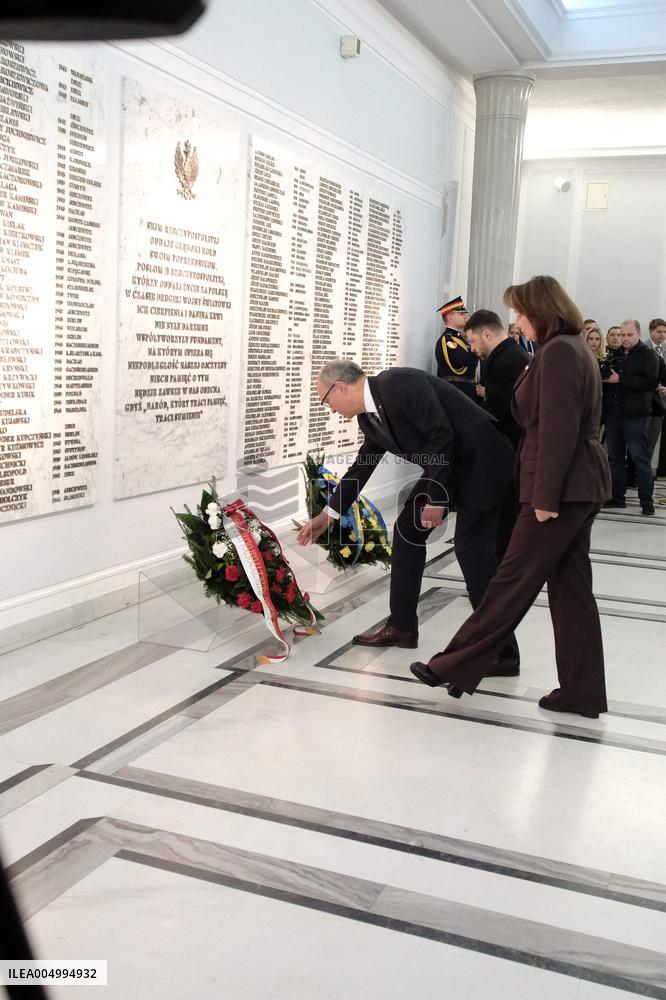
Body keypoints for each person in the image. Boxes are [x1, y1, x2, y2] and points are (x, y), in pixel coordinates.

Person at [410, 275, 611, 720]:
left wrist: (545, 496)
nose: (517, 320)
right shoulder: (568, 347)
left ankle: (453, 664)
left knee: (511, 581)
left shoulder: (559, 352)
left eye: (520, 311)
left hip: (560, 489)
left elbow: (557, 430)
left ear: (540, 311)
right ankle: (582, 692)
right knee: (572, 592)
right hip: (579, 485)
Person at [297, 360, 520, 673]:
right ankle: (402, 627)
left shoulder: (399, 384)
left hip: (482, 461)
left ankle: (503, 653)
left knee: (473, 553)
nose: (330, 409)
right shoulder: (369, 418)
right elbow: (362, 467)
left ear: (341, 387)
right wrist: (328, 515)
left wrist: (437, 497)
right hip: (449, 468)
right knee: (406, 531)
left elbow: (441, 435)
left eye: (326, 400)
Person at [467, 309, 530, 574]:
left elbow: (496, 413)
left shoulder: (506, 361)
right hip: (513, 449)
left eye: (473, 341)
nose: (472, 349)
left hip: (510, 450)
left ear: (487, 334)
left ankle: (503, 576)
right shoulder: (510, 354)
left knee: (505, 519)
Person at [602, 319, 659, 515]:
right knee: (615, 458)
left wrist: (621, 380)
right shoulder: (614, 354)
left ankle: (646, 501)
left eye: (629, 335)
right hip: (613, 413)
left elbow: (650, 382)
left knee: (640, 458)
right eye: (622, 335)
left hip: (636, 415)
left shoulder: (648, 354)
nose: (625, 338)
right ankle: (617, 497)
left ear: (638, 334)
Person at [434, 296, 476, 399]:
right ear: (450, 317)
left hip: (464, 391)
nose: (465, 316)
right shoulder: (447, 340)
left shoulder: (461, 339)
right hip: (454, 392)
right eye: (461, 314)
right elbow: (466, 360)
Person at [646, 318, 666, 474]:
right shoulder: (642, 348)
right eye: (659, 331)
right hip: (645, 401)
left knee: (653, 438)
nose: (662, 334)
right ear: (650, 331)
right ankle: (635, 473)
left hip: (661, 402)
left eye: (665, 332)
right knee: (641, 439)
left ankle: (646, 472)